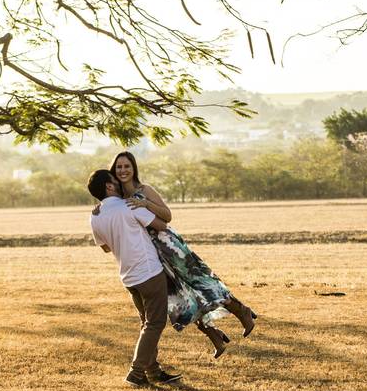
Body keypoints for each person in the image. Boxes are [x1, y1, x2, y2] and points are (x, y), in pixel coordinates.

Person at [108, 151, 257, 359]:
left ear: (134, 169)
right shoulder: (117, 199)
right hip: (150, 254)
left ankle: (242, 311)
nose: (123, 170)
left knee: (200, 283)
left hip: (169, 246)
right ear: (113, 171)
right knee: (180, 298)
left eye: (127, 166)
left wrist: (145, 204)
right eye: (119, 167)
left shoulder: (145, 190)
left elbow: (167, 216)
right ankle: (213, 336)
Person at [87, 169, 183, 386]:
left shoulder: (95, 216)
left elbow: (104, 248)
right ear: (110, 187)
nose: (119, 181)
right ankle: (136, 372)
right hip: (148, 271)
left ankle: (153, 372)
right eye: (114, 180)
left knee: (146, 323)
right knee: (155, 323)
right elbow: (162, 225)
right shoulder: (129, 206)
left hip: (128, 277)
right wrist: (144, 207)